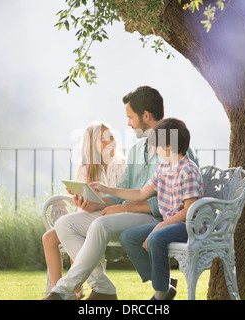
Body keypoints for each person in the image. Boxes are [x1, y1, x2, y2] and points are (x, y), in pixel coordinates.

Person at [45, 86, 199, 300]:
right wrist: (96, 204)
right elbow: (124, 193)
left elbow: (164, 203)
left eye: (130, 117)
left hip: (155, 217)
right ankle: (103, 288)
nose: (128, 123)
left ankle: (63, 290)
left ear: (145, 116)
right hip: (128, 214)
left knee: (100, 225)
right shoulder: (137, 150)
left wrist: (123, 207)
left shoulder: (175, 149)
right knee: (65, 224)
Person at [92, 118, 204, 300]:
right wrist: (107, 189)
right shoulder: (163, 168)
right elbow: (140, 194)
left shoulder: (188, 170)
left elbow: (189, 211)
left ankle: (160, 294)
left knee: (156, 237)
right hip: (169, 223)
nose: (156, 151)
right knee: (128, 237)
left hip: (188, 225)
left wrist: (160, 227)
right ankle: (164, 284)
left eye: (158, 147)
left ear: (168, 146)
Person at [42, 121, 125, 300]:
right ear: (91, 145)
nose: (109, 141)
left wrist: (93, 205)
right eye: (102, 139)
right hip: (86, 215)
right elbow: (82, 205)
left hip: (108, 215)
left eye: (111, 136)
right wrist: (79, 200)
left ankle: (72, 291)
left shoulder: (120, 165)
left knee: (73, 233)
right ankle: (57, 290)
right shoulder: (85, 169)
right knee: (49, 237)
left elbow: (120, 198)